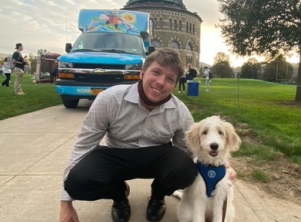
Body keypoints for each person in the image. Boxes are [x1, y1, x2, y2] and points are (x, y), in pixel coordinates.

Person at [59, 48, 237, 222]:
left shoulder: (180, 112)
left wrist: (222, 167)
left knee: (185, 170)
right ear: (142, 73)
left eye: (169, 79)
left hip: (156, 156)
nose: (161, 82)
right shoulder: (109, 99)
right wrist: (65, 204)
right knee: (76, 183)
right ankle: (119, 195)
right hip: (117, 155)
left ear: (174, 85)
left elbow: (194, 151)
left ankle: (158, 196)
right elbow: (83, 146)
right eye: (156, 72)